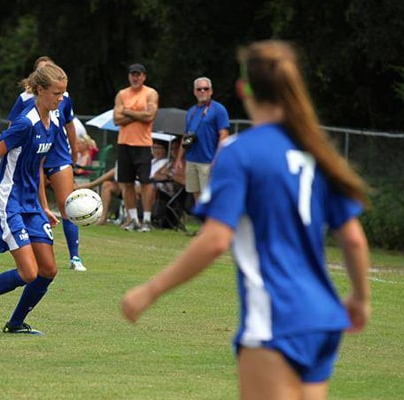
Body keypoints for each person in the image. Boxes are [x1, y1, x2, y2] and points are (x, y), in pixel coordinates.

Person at [121, 40, 372, 400]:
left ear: (243, 89)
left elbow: (215, 240)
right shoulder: (317, 151)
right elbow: (353, 240)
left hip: (276, 315)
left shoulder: (241, 152)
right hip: (323, 316)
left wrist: (150, 290)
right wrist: (360, 299)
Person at [0, 63, 67, 335]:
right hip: (9, 203)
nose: (60, 99)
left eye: (63, 93)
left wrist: (44, 206)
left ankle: (16, 324)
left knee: (48, 270)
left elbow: (38, 167)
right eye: (56, 93)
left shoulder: (53, 122)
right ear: (40, 91)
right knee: (29, 272)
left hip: (31, 204)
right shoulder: (24, 123)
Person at [9, 56, 88, 272]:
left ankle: (75, 257)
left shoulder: (64, 97)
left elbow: (70, 125)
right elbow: (13, 128)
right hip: (34, 155)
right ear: (38, 82)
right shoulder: (24, 98)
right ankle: (30, 249)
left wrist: (73, 152)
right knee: (34, 203)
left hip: (59, 154)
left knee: (67, 204)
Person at [113, 63, 159, 232]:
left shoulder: (151, 93)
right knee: (127, 183)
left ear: (144, 76)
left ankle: (146, 220)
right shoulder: (122, 94)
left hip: (143, 144)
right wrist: (139, 114)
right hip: (124, 142)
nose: (135, 77)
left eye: (138, 74)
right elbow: (116, 119)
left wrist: (127, 112)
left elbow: (150, 116)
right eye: (133, 74)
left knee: (146, 183)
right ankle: (133, 219)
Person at [175, 77, 230, 204]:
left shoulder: (218, 109)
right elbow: (186, 135)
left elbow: (224, 134)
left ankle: (212, 221)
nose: (202, 92)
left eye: (206, 89)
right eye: (199, 89)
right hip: (192, 159)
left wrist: (218, 158)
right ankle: (203, 222)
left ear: (211, 91)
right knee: (196, 193)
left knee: (209, 195)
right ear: (194, 92)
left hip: (208, 160)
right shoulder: (191, 111)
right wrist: (179, 158)